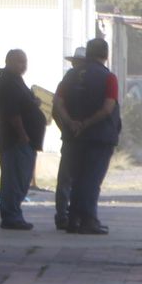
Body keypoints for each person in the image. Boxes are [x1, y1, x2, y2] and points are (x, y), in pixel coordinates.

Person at [63, 37, 120, 235]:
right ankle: (88, 220)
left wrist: (71, 123)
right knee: (91, 180)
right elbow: (108, 108)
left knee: (77, 179)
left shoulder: (71, 75)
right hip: (99, 136)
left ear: (87, 53)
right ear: (105, 54)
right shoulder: (109, 78)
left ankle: (73, 219)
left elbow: (58, 102)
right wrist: (86, 124)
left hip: (73, 136)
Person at [0, 49, 47, 230]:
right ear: (8, 61)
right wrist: (22, 134)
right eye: (19, 61)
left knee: (20, 179)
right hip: (15, 139)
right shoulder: (7, 82)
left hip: (23, 140)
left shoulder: (16, 81)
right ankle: (11, 217)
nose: (23, 65)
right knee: (14, 180)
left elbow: (23, 105)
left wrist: (34, 103)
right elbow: (13, 113)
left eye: (25, 62)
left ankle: (13, 214)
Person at [51, 45, 87, 231]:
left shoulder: (67, 82)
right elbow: (56, 108)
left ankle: (64, 215)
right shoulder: (83, 81)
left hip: (72, 136)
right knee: (76, 179)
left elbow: (56, 109)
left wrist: (66, 127)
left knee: (67, 179)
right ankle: (70, 216)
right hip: (82, 137)